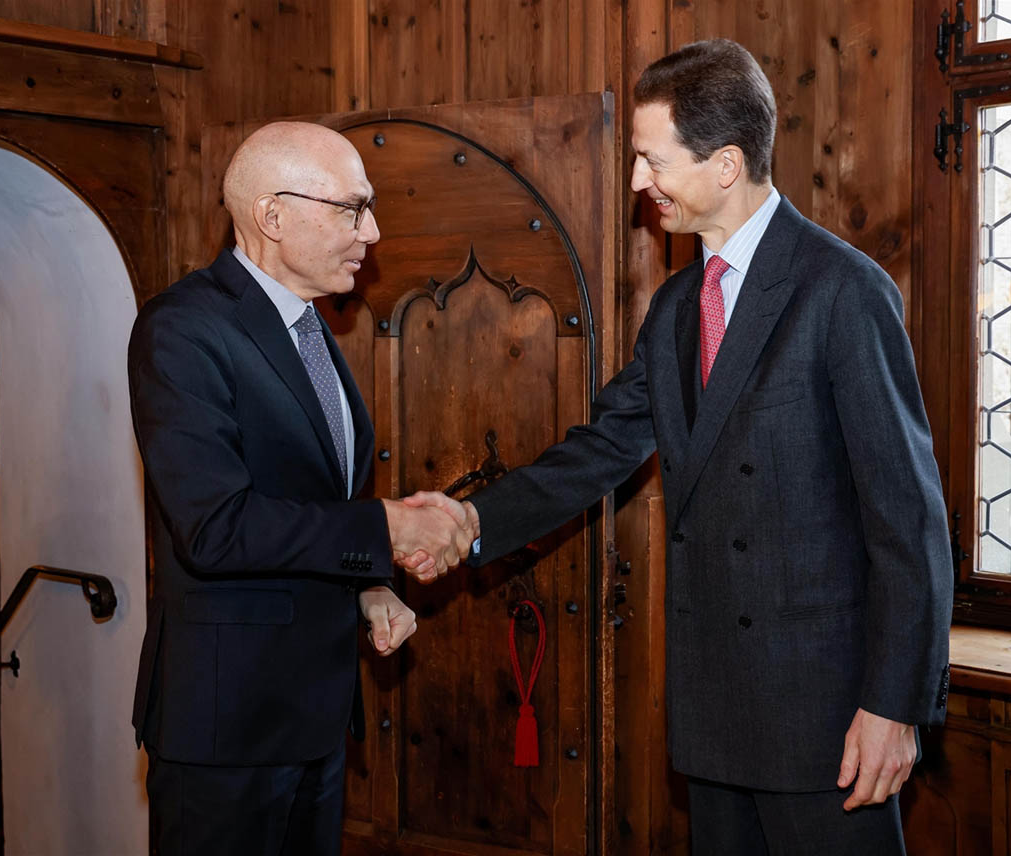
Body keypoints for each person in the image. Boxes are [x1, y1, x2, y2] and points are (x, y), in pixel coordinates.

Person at [407, 39, 952, 854]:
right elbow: (598, 451)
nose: (636, 181)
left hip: (830, 724)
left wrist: (895, 706)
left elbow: (909, 524)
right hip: (715, 714)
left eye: (649, 159)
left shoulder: (841, 291)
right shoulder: (673, 309)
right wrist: (467, 520)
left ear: (726, 165)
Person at [127, 121, 472, 856]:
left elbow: (313, 500)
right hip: (227, 730)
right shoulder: (183, 329)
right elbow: (217, 529)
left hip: (313, 717)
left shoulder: (309, 328)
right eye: (350, 208)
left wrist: (367, 586)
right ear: (271, 216)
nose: (371, 232)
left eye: (368, 208)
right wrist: (385, 531)